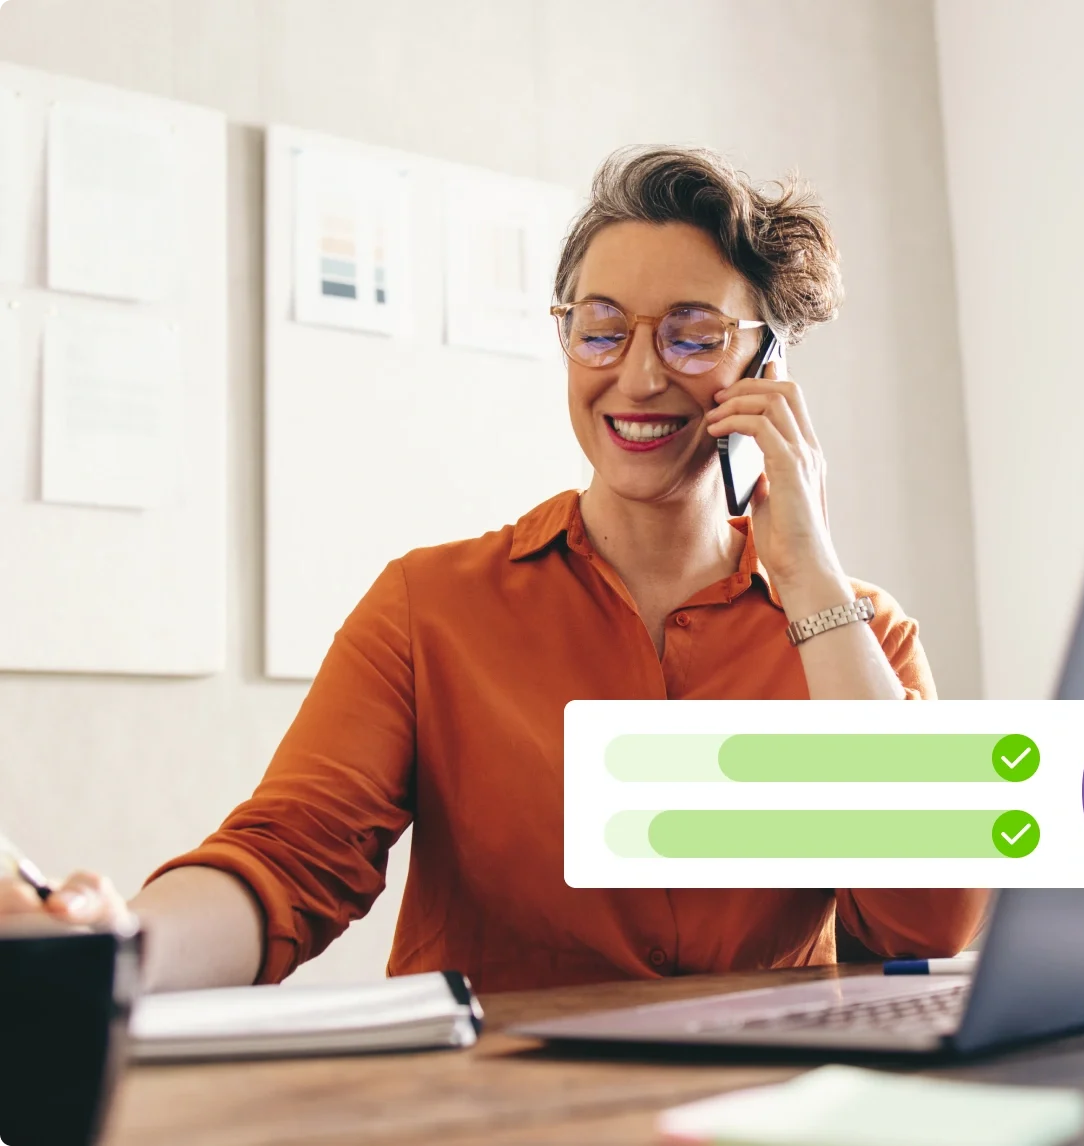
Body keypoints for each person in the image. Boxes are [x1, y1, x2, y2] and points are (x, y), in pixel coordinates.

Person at [0, 146, 989, 993]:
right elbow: (288, 859)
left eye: (691, 332)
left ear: (767, 363)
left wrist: (810, 576)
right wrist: (113, 950)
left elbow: (926, 922)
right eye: (601, 327)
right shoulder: (430, 610)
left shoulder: (859, 632)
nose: (638, 375)